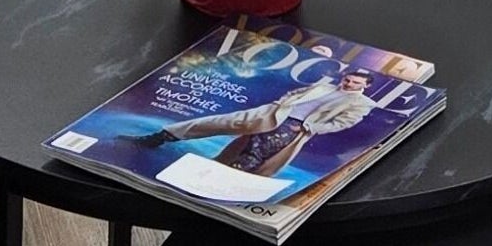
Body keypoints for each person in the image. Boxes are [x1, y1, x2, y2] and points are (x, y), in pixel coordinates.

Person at [138, 70, 377, 176]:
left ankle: (218, 179)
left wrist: (308, 128)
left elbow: (343, 123)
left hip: (294, 127)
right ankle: (163, 136)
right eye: (348, 79)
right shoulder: (325, 86)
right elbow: (297, 93)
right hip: (273, 112)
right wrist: (280, 103)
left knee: (254, 152)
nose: (349, 84)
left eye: (355, 83)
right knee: (221, 121)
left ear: (365, 86)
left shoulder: (362, 103)